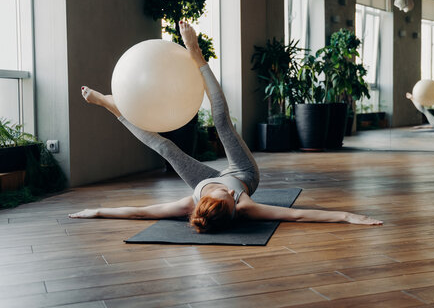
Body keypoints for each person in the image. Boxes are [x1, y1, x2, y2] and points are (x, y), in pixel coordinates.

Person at [69, 22, 382, 232]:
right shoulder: (244, 203)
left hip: (200, 180)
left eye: (217, 193)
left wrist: (94, 212)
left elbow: (140, 212)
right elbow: (297, 214)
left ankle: (113, 108)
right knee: (222, 122)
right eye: (224, 195)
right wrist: (347, 216)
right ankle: (198, 56)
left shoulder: (190, 202)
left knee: (165, 147)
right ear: (234, 202)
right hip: (244, 174)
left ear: (204, 200)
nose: (222, 190)